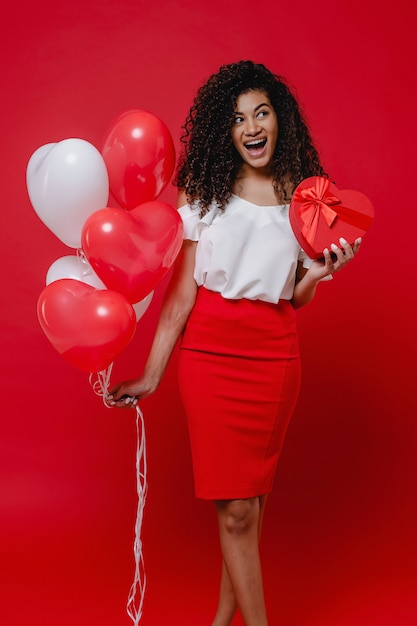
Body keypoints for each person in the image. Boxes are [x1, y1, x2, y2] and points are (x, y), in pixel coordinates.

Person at [107, 60, 361, 626]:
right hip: (211, 359)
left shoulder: (305, 196)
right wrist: (150, 374)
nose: (251, 127)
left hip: (276, 359)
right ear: (225, 131)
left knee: (248, 509)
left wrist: (317, 275)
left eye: (262, 112)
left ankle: (223, 622)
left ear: (279, 119)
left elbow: (292, 297)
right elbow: (178, 301)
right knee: (238, 512)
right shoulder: (203, 194)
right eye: (238, 118)